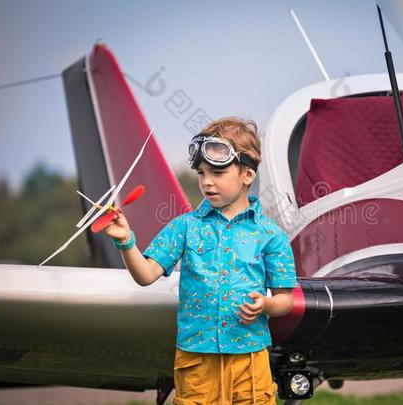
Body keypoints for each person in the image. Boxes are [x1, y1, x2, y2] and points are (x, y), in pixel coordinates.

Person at [100, 117, 298, 404]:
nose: (206, 181)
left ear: (247, 175)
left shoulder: (270, 235)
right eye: (201, 173)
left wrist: (266, 305)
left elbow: (285, 300)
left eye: (217, 172)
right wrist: (126, 240)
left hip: (249, 362)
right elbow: (145, 274)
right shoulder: (185, 227)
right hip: (196, 360)